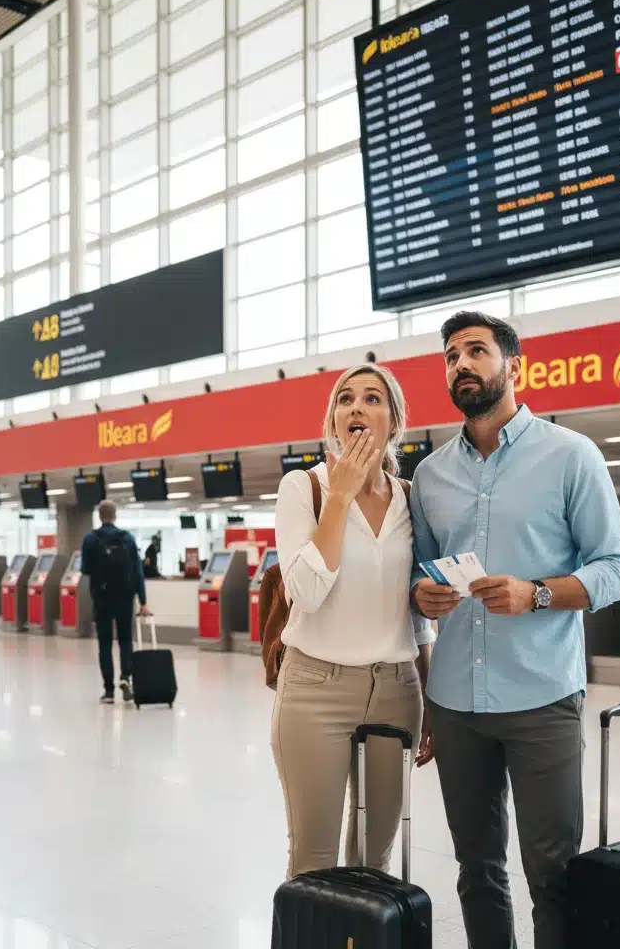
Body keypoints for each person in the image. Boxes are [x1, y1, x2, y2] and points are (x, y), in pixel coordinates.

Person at [411, 311, 620, 949]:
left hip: (542, 697)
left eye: (475, 351)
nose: (460, 364)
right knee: (477, 870)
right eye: (451, 355)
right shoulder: (430, 475)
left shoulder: (570, 455)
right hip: (456, 702)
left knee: (554, 874)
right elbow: (418, 576)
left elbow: (617, 569)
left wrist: (536, 593)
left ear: (515, 366)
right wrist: (421, 594)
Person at [271, 363, 436, 879]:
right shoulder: (304, 488)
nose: (356, 407)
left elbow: (414, 613)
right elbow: (305, 592)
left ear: (395, 421)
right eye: (345, 399)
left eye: (372, 398)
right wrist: (340, 497)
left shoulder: (410, 497)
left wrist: (429, 692)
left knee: (374, 861)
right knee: (313, 863)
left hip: (397, 689)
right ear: (332, 421)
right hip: (315, 688)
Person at [81, 501, 149, 704]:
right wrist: (143, 600)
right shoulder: (127, 538)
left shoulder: (90, 539)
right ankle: (125, 677)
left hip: (102, 597)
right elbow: (138, 572)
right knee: (126, 640)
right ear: (115, 516)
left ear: (100, 516)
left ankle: (109, 691)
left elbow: (85, 569)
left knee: (104, 643)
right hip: (125, 596)